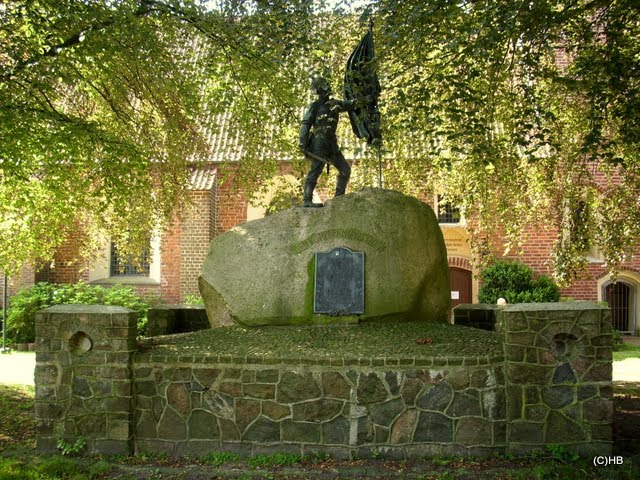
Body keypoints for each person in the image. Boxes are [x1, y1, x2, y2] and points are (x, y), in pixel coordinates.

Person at [298, 76, 354, 208]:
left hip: (332, 144)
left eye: (327, 85)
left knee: (345, 169)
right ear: (319, 90)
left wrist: (365, 100)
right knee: (315, 171)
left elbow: (351, 104)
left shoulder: (335, 104)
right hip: (319, 144)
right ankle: (307, 200)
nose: (328, 88)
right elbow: (305, 125)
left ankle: (339, 198)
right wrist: (303, 142)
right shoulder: (315, 106)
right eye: (324, 86)